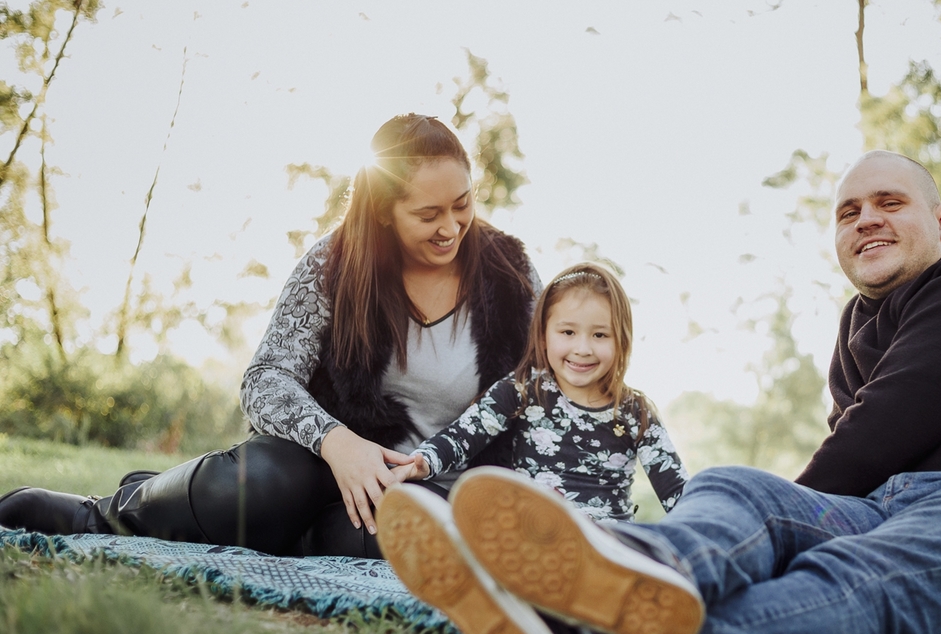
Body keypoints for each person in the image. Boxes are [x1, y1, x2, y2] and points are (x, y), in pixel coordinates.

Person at [374, 150, 941, 634]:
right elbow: (857, 461)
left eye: (889, 203)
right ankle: (617, 569)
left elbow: (884, 428)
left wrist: (792, 528)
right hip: (895, 508)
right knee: (738, 487)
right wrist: (773, 516)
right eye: (848, 211)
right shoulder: (855, 329)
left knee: (854, 581)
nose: (866, 218)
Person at [0, 114, 540, 558]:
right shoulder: (334, 263)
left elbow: (546, 391)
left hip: (438, 490)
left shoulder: (510, 273)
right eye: (428, 214)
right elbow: (264, 381)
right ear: (382, 210)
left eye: (463, 203)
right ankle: (99, 516)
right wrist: (339, 443)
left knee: (422, 538)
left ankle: (260, 524)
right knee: (268, 484)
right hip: (320, 474)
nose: (451, 227)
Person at [393, 262, 688, 522]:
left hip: (606, 545)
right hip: (535, 536)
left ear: (620, 340)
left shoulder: (636, 411)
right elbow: (463, 435)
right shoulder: (524, 388)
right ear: (544, 335)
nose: (582, 349)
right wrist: (423, 462)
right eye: (568, 332)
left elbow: (678, 495)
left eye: (600, 335)